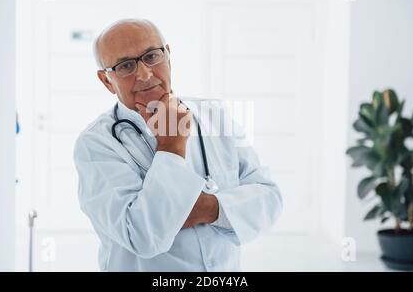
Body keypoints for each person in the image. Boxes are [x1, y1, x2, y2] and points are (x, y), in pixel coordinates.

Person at [73, 18, 283, 271]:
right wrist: (172, 145)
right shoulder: (96, 144)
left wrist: (208, 208)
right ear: (107, 81)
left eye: (151, 57)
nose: (145, 74)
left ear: (168, 56)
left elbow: (269, 198)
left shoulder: (215, 115)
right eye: (126, 65)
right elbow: (142, 236)